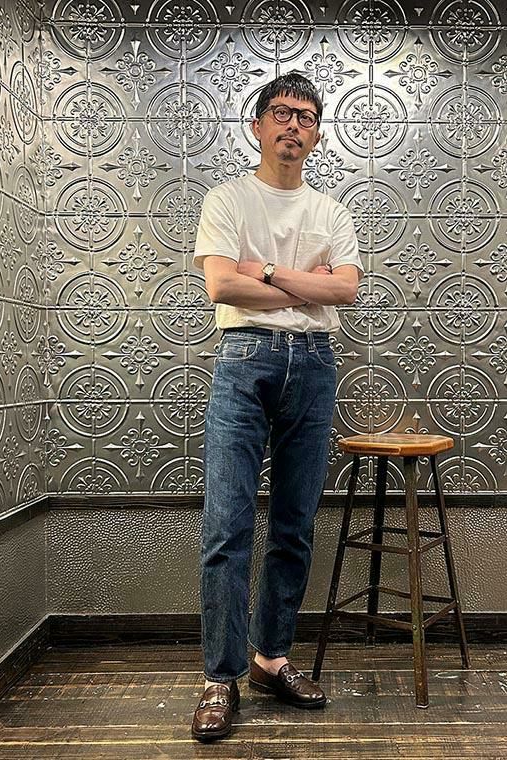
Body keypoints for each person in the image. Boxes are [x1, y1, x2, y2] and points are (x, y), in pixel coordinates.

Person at [190, 72, 363, 742]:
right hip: (244, 357)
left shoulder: (331, 212)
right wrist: (304, 285)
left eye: (308, 117)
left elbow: (344, 291)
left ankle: (271, 661)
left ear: (317, 135)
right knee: (227, 524)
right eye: (283, 113)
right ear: (258, 125)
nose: (295, 125)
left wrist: (261, 271)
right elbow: (219, 285)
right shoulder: (227, 198)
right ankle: (219, 678)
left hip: (314, 363)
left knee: (294, 524)